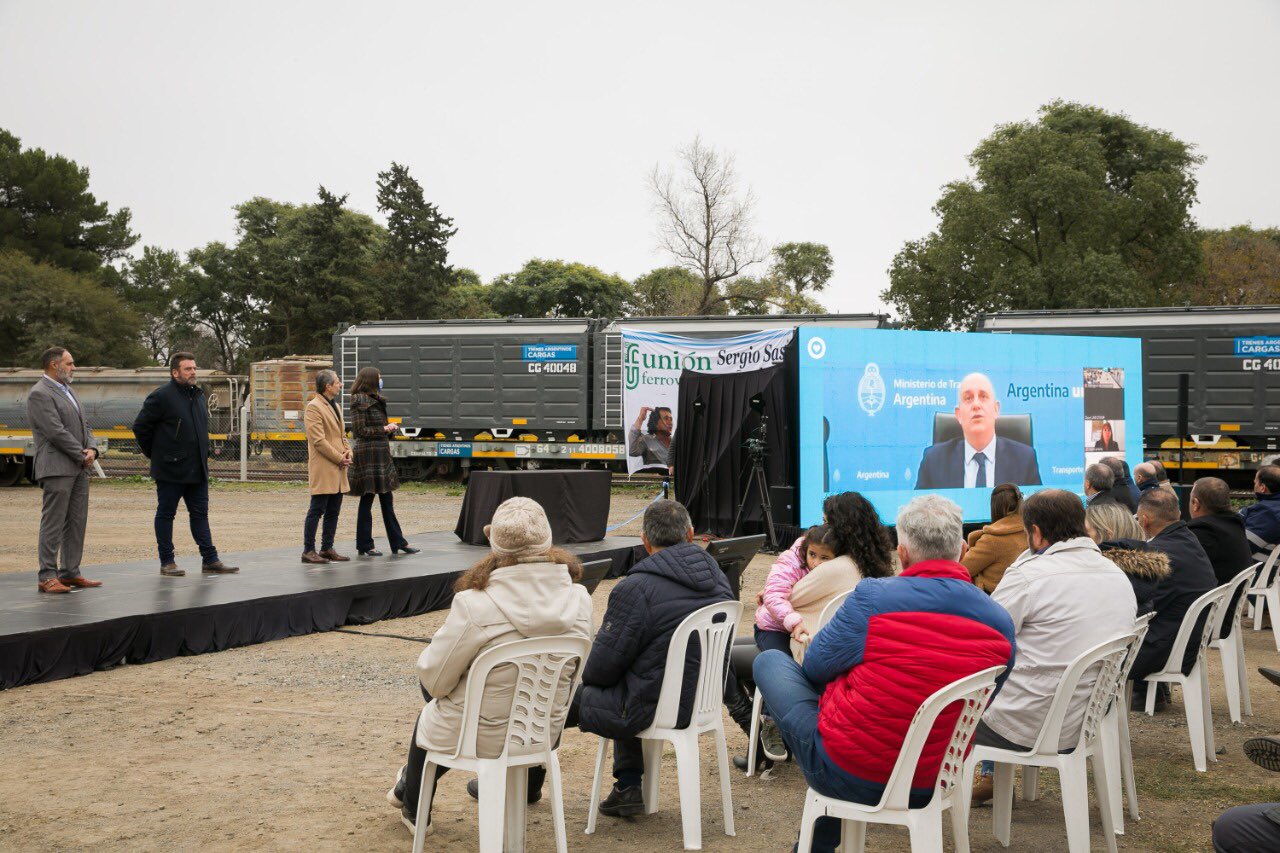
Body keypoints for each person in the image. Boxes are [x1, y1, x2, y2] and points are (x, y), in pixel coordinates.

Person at [754, 495, 1016, 852]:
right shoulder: (1000, 621)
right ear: (962, 550)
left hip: (849, 772)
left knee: (769, 663)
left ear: (903, 553)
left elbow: (814, 667)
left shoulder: (873, 598)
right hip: (935, 776)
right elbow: (983, 699)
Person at [386, 497, 593, 832]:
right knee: (542, 688)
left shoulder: (473, 604)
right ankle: (528, 785)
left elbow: (435, 682)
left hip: (480, 734)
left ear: (495, 546)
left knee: (434, 699)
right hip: (540, 731)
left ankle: (415, 806)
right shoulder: (581, 599)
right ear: (549, 542)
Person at [970, 489, 1138, 804]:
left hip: (1024, 722)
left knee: (938, 706)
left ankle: (914, 796)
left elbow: (984, 644)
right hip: (1087, 717)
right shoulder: (1116, 574)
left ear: (1035, 532)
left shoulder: (1030, 577)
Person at [574, 498, 734, 817]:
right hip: (702, 701)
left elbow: (600, 672)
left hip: (653, 707)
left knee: (568, 698)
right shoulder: (718, 577)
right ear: (690, 535)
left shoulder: (636, 588)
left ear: (645, 543)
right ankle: (628, 786)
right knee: (633, 675)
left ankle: (529, 779)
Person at [734, 491, 896, 774]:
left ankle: (763, 739)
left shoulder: (835, 566)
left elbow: (787, 597)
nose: (822, 528)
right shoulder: (870, 564)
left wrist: (769, 594)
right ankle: (766, 737)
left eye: (827, 522)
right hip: (818, 643)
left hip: (802, 644)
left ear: (843, 530)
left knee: (731, 662)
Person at [131, 352, 238, 577]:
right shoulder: (161, 396)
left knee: (200, 514)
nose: (193, 372)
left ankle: (210, 559)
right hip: (170, 469)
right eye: (188, 369)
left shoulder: (198, 395)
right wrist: (158, 454)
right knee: (166, 514)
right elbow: (140, 427)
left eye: (194, 368)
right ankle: (167, 562)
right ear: (175, 372)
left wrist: (205, 452)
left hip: (197, 469)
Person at [1127, 489, 1218, 709]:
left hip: (1167, 649)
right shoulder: (1187, 539)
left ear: (1145, 521)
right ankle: (1149, 693)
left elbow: (1140, 608)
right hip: (1186, 641)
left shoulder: (1159, 553)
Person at [27, 346, 102, 594]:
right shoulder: (40, 393)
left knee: (77, 521)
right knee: (54, 522)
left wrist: (92, 448)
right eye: (69, 363)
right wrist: (81, 454)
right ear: (53, 364)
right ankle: (47, 575)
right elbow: (54, 431)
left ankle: (70, 572)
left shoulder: (68, 390)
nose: (73, 367)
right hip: (57, 467)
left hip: (79, 466)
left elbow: (85, 425)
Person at [914, 372, 1041, 489]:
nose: (976, 405)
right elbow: (919, 512)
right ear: (958, 415)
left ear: (996, 409)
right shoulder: (933, 460)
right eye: (968, 398)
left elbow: (1035, 512)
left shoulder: (1024, 459)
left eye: (983, 396)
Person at [348, 367, 418, 557]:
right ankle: (365, 544)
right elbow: (360, 431)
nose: (381, 381)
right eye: (379, 378)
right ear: (371, 380)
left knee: (387, 499)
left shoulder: (375, 400)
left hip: (380, 454)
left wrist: (389, 429)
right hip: (369, 456)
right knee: (367, 499)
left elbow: (376, 428)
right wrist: (384, 428)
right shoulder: (358, 401)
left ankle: (398, 542)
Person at [1188, 477, 1257, 638]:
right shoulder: (1234, 525)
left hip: (1209, 619)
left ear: (1196, 504)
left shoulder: (1203, 532)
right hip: (1226, 613)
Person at [753, 525, 838, 655]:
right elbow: (774, 595)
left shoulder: (837, 568)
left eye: (824, 558)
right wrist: (794, 622)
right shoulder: (791, 562)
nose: (816, 562)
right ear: (806, 549)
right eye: (812, 554)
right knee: (782, 658)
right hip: (774, 627)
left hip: (808, 626)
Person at [301, 369, 351, 564]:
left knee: (333, 510)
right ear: (327, 386)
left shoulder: (335, 406)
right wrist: (340, 457)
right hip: (325, 467)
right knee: (317, 510)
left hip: (338, 466)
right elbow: (318, 440)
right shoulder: (314, 407)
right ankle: (308, 550)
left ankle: (327, 547)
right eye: (337, 382)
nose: (340, 384)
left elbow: (342, 434)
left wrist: (348, 452)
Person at [1086, 501, 1170, 617]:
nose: (1079, 537)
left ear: (1107, 535)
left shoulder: (1100, 575)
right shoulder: (1144, 573)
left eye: (1085, 532)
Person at [962, 483, 1027, 593]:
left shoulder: (991, 540)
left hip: (994, 601)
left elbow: (962, 569)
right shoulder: (1032, 532)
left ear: (994, 507)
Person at [1241, 465, 1280, 564]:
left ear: (1263, 488)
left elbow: (1243, 547)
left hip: (1257, 575)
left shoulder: (1267, 513)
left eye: (1255, 483)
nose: (1254, 486)